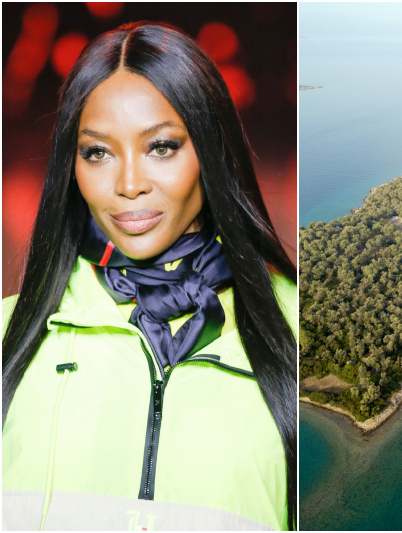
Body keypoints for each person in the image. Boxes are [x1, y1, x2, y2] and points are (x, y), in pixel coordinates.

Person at [2, 21, 297, 531]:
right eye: (97, 152)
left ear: (211, 149)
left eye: (161, 146)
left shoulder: (298, 325)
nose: (129, 184)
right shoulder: (10, 335)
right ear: (71, 167)